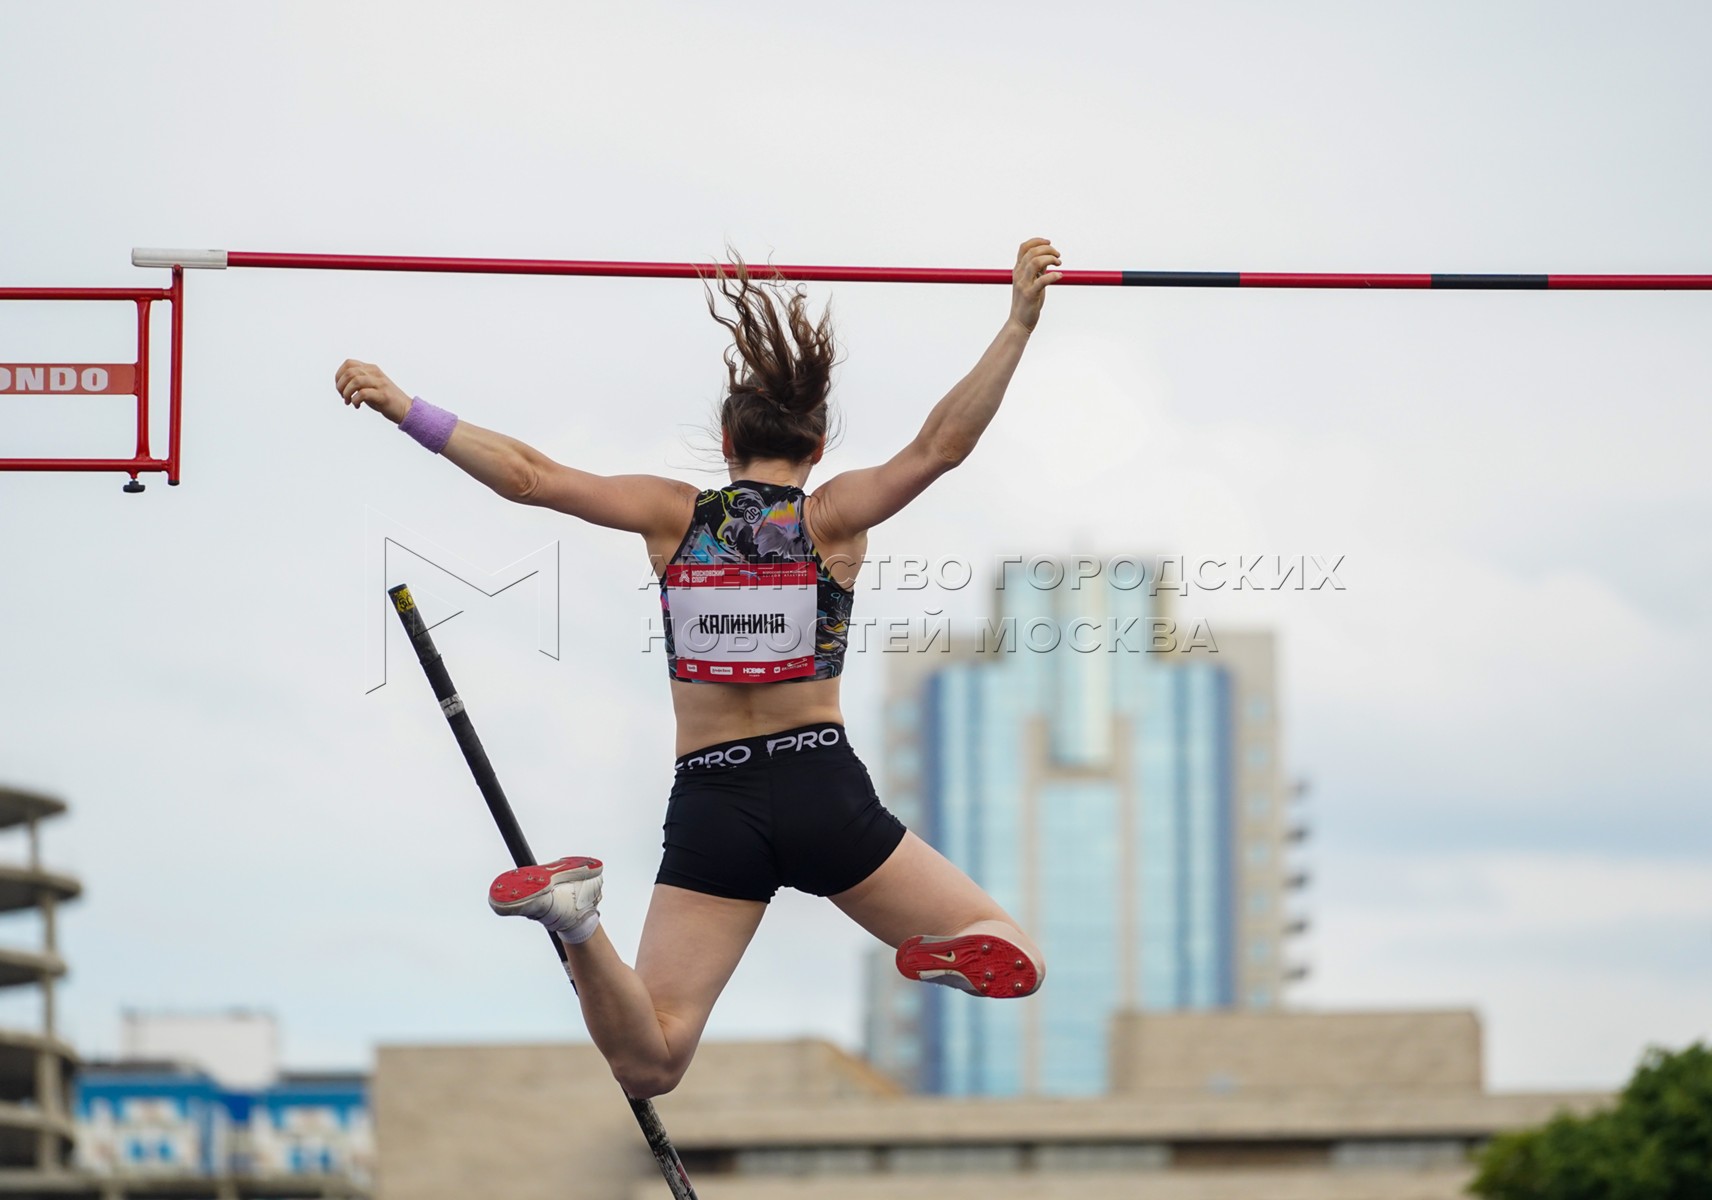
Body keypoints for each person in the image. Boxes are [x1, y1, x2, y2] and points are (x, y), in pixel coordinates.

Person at [334, 238, 1063, 1099]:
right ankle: (945, 952)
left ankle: (576, 925)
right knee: (1009, 942)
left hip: (714, 801)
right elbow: (941, 446)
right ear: (819, 444)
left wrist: (403, 406)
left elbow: (529, 477)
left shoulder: (670, 516)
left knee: (652, 1060)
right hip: (820, 788)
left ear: (724, 440)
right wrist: (1017, 321)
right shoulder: (833, 519)